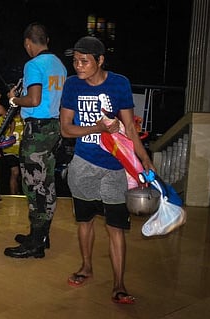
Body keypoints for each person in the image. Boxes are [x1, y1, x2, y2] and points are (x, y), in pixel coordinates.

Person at [60, 36, 156, 304]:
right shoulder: (72, 85)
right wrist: (98, 128)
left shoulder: (119, 84)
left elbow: (131, 130)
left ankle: (119, 284)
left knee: (116, 226)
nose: (78, 66)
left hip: (115, 167)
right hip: (83, 164)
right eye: (75, 61)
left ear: (100, 60)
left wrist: (145, 159)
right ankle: (86, 267)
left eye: (84, 61)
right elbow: (65, 129)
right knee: (85, 220)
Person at [3, 22, 66, 258]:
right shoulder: (59, 65)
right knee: (46, 183)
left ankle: (35, 245)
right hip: (54, 128)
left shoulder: (33, 64)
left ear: (28, 43)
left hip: (37, 130)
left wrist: (13, 100)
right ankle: (40, 235)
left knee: (33, 185)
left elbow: (34, 100)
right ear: (46, 40)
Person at [0, 112, 23, 195]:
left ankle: (18, 192)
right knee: (15, 172)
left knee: (24, 175)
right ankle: (13, 195)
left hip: (23, 151)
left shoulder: (26, 117)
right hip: (9, 150)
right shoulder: (4, 118)